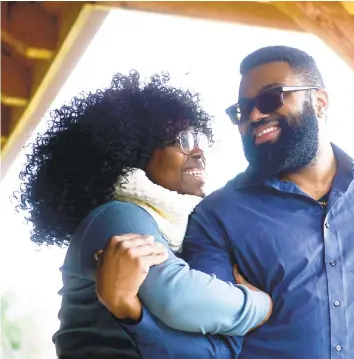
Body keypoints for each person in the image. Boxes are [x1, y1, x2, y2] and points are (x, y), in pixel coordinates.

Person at [98, 46, 354, 359]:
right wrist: (130, 311)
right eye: (242, 111)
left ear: (320, 102)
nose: (254, 116)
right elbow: (209, 345)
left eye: (271, 98)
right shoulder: (218, 217)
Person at [16, 70, 272, 359]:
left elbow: (209, 351)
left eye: (198, 138)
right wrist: (260, 303)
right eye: (182, 140)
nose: (199, 150)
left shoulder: (176, 229)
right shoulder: (116, 216)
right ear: (134, 153)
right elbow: (179, 299)